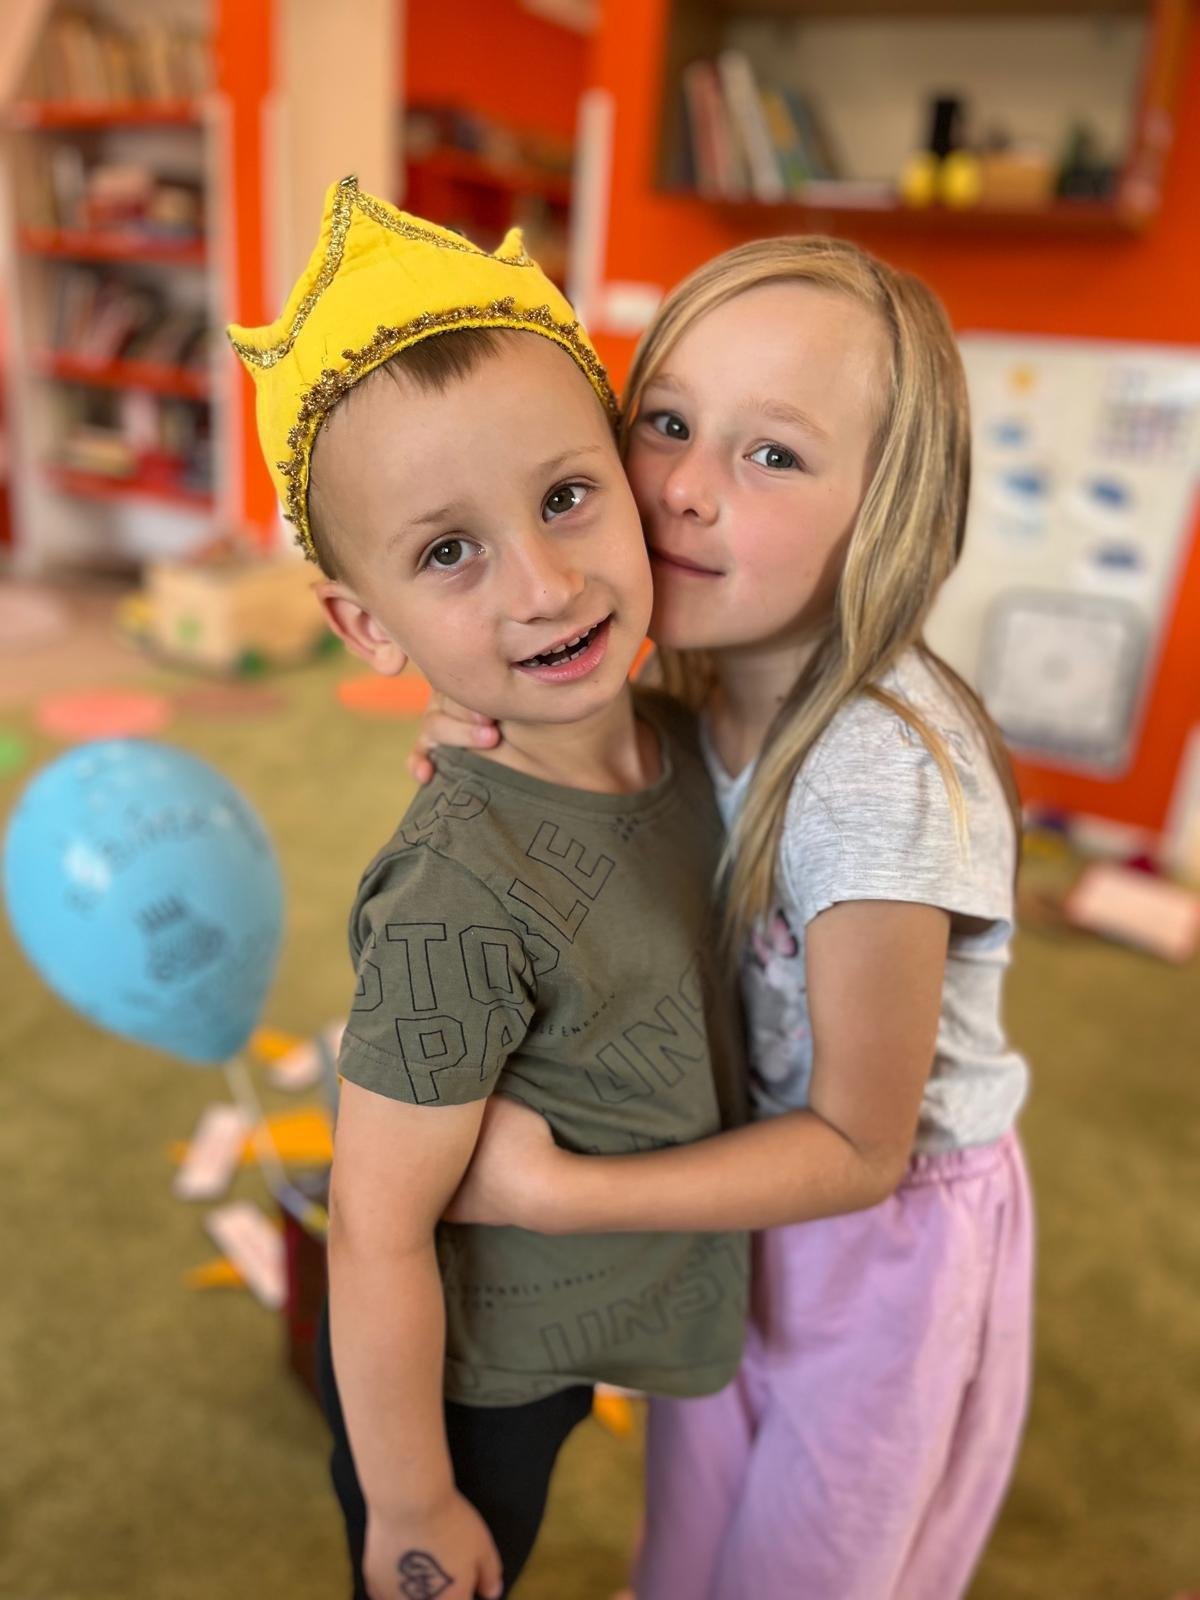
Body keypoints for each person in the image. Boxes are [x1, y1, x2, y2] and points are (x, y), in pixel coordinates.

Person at [416, 235, 1035, 1600]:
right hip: (738, 1175)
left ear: (886, 512)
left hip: (883, 1242)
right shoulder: (697, 692)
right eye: (667, 423)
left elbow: (862, 1147)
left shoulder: (876, 778)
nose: (685, 490)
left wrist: (558, 1196)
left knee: (809, 1563)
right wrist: (501, 738)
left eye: (772, 455)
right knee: (687, 1532)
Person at [227, 177, 748, 1600]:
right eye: (448, 553)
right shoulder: (453, 901)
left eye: (567, 498)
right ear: (366, 625)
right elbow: (376, 1225)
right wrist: (409, 1499)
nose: (545, 584)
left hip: (590, 1313)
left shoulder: (692, 736)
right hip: (468, 1384)